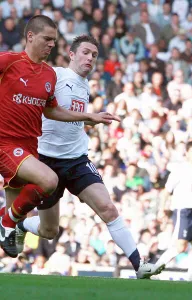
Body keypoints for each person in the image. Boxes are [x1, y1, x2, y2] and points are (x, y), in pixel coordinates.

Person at [14, 35, 164, 279]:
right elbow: (50, 112)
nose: (90, 58)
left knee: (108, 208)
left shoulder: (85, 85)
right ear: (72, 54)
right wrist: (89, 117)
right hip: (46, 162)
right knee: (50, 230)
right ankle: (21, 225)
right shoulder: (56, 75)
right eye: (85, 52)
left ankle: (140, 266)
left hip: (76, 161)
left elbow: (73, 119)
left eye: (94, 55)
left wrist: (88, 122)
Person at [0, 15, 119, 258]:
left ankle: (9, 223)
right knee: (49, 181)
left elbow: (51, 110)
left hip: (29, 146)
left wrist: (89, 117)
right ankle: (6, 221)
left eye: (54, 41)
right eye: (47, 39)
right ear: (30, 36)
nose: (52, 45)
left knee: (15, 245)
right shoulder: (9, 62)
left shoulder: (48, 75)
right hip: (5, 143)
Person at [155, 140, 192, 281]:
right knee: (179, 246)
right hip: (182, 210)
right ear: (187, 153)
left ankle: (191, 277)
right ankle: (154, 269)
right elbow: (166, 191)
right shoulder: (180, 169)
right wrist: (161, 209)